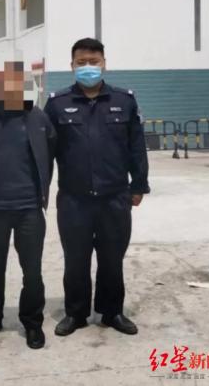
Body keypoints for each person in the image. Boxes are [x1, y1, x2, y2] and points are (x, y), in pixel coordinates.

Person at [44, 38, 150, 337]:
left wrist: (138, 184)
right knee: (75, 261)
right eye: (82, 62)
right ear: (72, 66)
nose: (88, 67)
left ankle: (112, 312)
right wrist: (41, 191)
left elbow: (136, 147)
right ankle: (76, 314)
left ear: (104, 64)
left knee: (112, 259)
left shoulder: (124, 100)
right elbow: (45, 153)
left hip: (114, 197)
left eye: (94, 62)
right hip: (73, 199)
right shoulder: (57, 103)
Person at [0, 63, 56, 349]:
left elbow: (49, 158)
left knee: (33, 270)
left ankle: (32, 322)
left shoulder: (39, 118)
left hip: (30, 209)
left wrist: (41, 193)